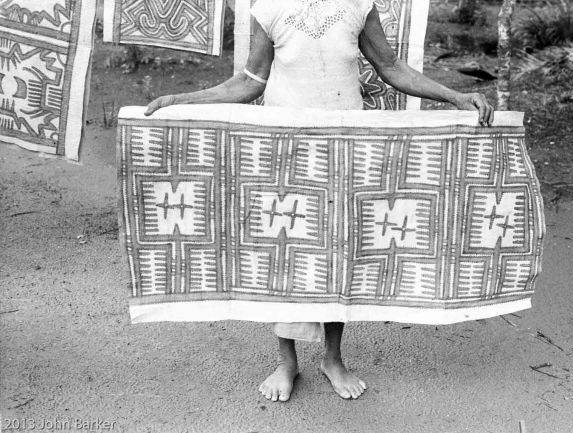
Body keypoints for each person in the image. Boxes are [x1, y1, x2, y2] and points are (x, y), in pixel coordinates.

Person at [145, 0, 494, 403]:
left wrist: (454, 96)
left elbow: (391, 67)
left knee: (338, 253)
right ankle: (286, 362)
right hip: (286, 149)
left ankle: (333, 359)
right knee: (284, 253)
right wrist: (183, 99)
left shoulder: (359, 4)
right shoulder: (269, 8)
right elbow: (249, 82)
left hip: (342, 150)